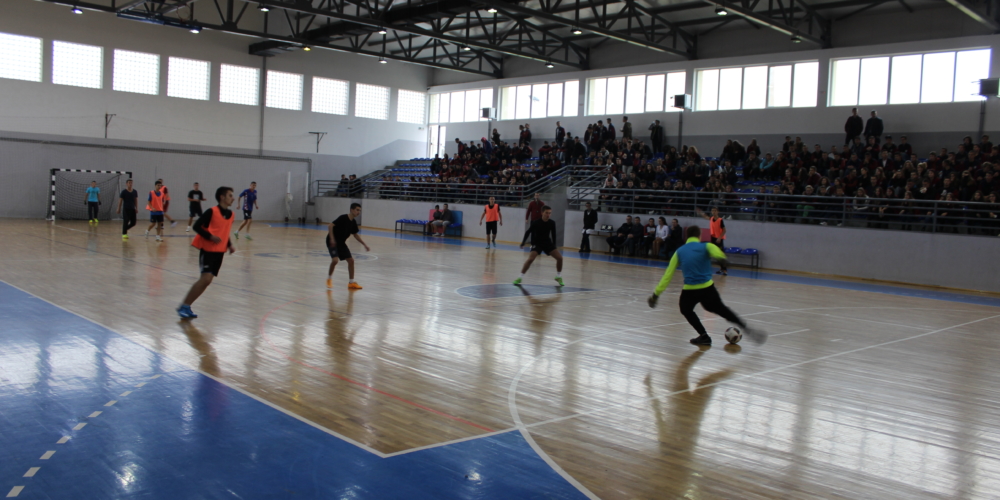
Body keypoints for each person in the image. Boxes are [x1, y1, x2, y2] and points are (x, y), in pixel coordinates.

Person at [647, 225, 767, 346]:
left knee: (686, 309)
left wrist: (656, 295)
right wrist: (722, 259)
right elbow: (717, 253)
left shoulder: (679, 252)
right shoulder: (706, 246)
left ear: (687, 236)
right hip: (707, 288)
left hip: (690, 290)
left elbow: (667, 275)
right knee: (721, 309)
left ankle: (704, 336)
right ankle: (746, 328)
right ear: (699, 236)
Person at [177, 186, 237, 319]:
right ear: (222, 197)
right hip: (208, 250)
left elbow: (224, 231)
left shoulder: (231, 214)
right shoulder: (211, 211)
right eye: (230, 195)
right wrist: (210, 237)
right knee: (205, 278)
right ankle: (184, 306)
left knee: (207, 281)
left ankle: (186, 306)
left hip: (219, 251)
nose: (233, 198)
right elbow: (196, 226)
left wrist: (229, 245)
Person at [514, 206, 563, 286]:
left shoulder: (552, 223)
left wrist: (554, 246)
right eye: (546, 213)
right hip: (537, 243)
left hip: (547, 243)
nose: (548, 215)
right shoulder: (536, 222)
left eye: (549, 213)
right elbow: (528, 232)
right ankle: (520, 277)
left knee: (560, 258)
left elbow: (553, 235)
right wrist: (523, 242)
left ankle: (558, 276)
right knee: (530, 259)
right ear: (542, 213)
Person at [326, 203, 370, 290]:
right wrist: (332, 239)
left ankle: (351, 283)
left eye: (360, 210)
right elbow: (330, 225)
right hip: (332, 241)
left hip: (341, 243)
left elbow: (355, 235)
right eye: (357, 210)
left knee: (351, 261)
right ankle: (329, 279)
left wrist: (364, 244)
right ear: (351, 210)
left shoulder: (353, 222)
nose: (358, 212)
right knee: (335, 260)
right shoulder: (343, 218)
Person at [697, 206, 727, 275]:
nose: (714, 212)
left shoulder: (720, 220)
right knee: (716, 255)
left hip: (719, 239)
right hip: (713, 238)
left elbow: (724, 230)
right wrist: (700, 212)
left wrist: (719, 238)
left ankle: (725, 270)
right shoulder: (711, 218)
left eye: (715, 210)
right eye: (712, 210)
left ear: (718, 212)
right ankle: (721, 269)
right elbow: (705, 216)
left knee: (721, 255)